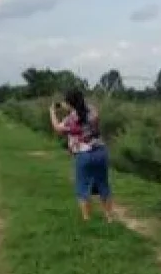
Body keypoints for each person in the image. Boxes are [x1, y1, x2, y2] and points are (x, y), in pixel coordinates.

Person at [49, 89, 114, 222]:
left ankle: (87, 218)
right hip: (100, 152)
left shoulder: (70, 120)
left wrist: (52, 112)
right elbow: (86, 111)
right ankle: (109, 217)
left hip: (84, 155)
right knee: (103, 185)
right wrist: (70, 104)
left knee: (83, 186)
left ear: (69, 103)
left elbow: (57, 128)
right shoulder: (92, 111)